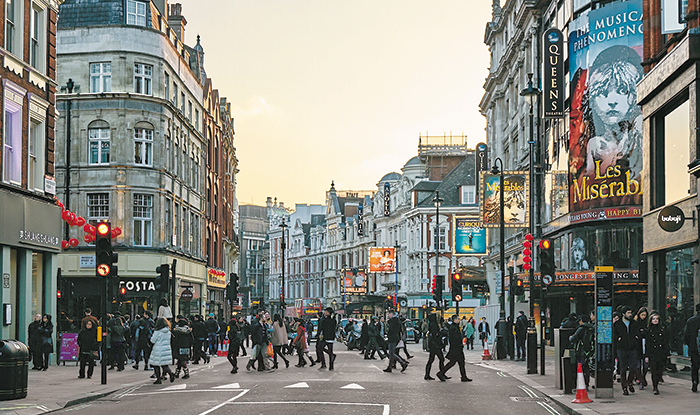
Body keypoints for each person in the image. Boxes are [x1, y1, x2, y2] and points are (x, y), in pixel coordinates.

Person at [584, 45, 643, 182]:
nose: (612, 101)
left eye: (622, 90)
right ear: (592, 100)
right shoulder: (594, 144)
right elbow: (589, 181)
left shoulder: (640, 127)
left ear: (634, 95)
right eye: (603, 93)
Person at [614, 306, 643, 395]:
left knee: (633, 367)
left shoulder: (634, 323)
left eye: (630, 313)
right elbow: (614, 336)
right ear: (623, 314)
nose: (630, 315)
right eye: (628, 313)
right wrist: (618, 340)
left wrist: (636, 339)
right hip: (621, 348)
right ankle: (624, 387)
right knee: (622, 369)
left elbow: (638, 333)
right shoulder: (617, 324)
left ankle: (630, 382)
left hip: (632, 348)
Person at [436, 315, 472, 382]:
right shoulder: (453, 328)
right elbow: (454, 338)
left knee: (458, 362)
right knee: (455, 362)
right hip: (456, 348)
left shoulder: (455, 327)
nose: (459, 320)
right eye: (458, 319)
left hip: (456, 348)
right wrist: (459, 344)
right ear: (455, 320)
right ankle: (441, 373)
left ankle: (463, 376)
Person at [569, 314, 595, 389]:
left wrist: (570, 337)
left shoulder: (581, 328)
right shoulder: (591, 328)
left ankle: (581, 384)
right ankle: (586, 383)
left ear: (581, 321)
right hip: (589, 350)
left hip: (581, 351)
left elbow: (573, 338)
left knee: (580, 367)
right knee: (586, 367)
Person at [645, 312, 668, 395]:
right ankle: (655, 386)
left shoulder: (662, 329)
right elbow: (647, 344)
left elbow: (666, 341)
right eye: (653, 319)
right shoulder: (648, 330)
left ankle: (657, 381)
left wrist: (667, 353)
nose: (655, 320)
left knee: (660, 370)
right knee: (654, 370)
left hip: (661, 352)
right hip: (652, 353)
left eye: (656, 319)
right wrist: (646, 355)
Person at [149, 318, 175, 384]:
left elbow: (153, 340)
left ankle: (158, 379)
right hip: (166, 349)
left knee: (156, 365)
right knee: (164, 365)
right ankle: (171, 373)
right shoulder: (168, 331)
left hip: (158, 349)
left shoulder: (157, 331)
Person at [683, 303, 700, 392]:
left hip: (694, 348)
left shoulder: (691, 321)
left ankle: (694, 381)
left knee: (695, 367)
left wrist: (689, 345)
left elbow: (686, 335)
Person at [424, 313, 445, 380]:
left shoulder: (431, 324)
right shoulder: (434, 325)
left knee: (431, 360)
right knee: (441, 359)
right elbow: (435, 335)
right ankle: (442, 373)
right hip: (436, 345)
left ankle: (427, 374)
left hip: (433, 345)